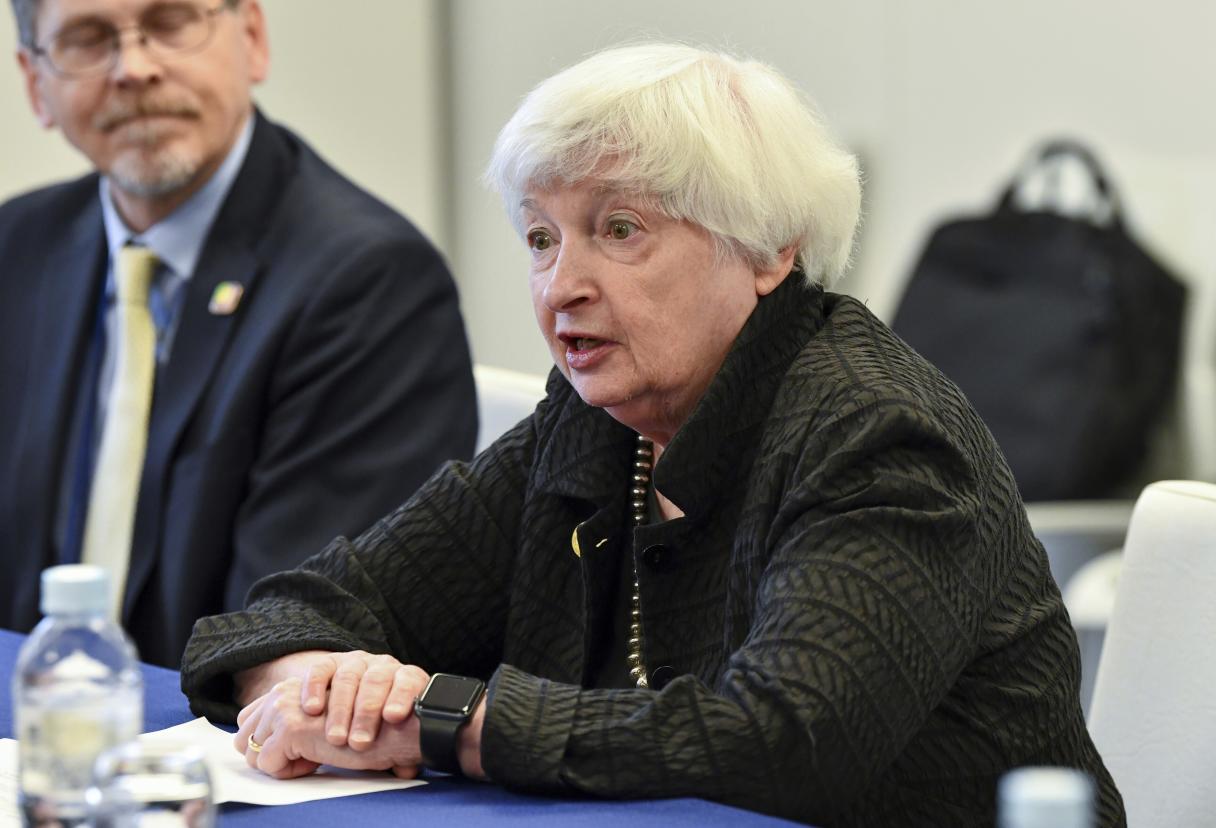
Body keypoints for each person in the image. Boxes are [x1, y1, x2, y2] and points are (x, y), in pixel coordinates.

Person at [180, 43, 1125, 826]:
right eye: (541, 238)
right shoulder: (592, 422)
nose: (561, 288)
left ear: (766, 248)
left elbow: (788, 744)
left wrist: (443, 720)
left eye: (620, 229)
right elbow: (287, 610)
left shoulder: (879, 436)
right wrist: (324, 688)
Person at [0, 0, 477, 668]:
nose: (134, 68)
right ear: (34, 84)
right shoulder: (17, 249)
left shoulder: (368, 284)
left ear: (251, 37)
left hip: (226, 748)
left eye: (169, 22)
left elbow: (291, 636)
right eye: (87, 39)